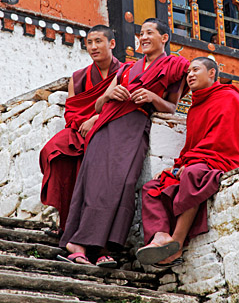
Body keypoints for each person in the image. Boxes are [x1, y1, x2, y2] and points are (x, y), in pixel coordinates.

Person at [58, 18, 189, 267]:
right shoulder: (127, 69)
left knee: (124, 184)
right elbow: (98, 106)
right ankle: (78, 244)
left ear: (164, 38)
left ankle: (100, 246)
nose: (144, 37)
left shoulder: (174, 66)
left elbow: (172, 106)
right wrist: (108, 94)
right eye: (141, 33)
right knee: (96, 184)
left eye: (150, 32)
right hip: (107, 126)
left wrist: (152, 97)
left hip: (135, 126)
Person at [136, 56, 239, 267]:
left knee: (193, 174)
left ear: (212, 73)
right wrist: (178, 165)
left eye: (195, 70)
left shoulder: (228, 97)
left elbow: (226, 139)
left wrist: (188, 165)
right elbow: (193, 145)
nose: (189, 75)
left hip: (227, 159)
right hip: (201, 159)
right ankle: (160, 236)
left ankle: (177, 243)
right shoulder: (195, 108)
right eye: (188, 72)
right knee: (153, 186)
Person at [40, 25, 121, 234]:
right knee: (54, 151)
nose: (93, 47)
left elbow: (123, 105)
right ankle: (66, 224)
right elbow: (71, 112)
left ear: (111, 44)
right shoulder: (78, 78)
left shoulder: (125, 72)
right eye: (90, 43)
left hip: (110, 128)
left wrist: (96, 119)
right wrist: (82, 124)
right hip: (80, 130)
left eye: (99, 41)